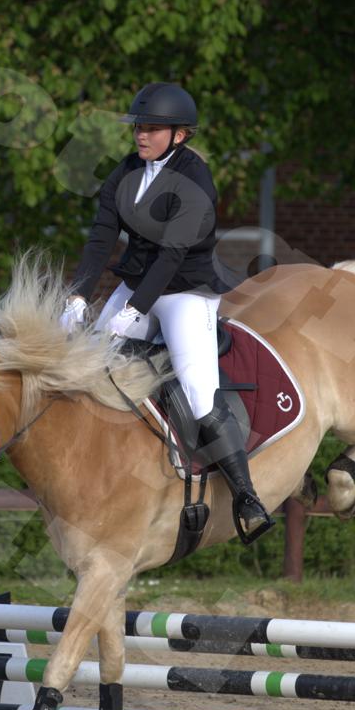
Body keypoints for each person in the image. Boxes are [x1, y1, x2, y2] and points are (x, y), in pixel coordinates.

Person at [59, 82, 273, 543]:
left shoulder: (196, 180)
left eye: (152, 128)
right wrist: (77, 295)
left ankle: (247, 498)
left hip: (185, 293)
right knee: (88, 368)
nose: (141, 134)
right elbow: (101, 235)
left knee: (198, 393)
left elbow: (173, 255)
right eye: (139, 126)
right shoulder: (125, 171)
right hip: (137, 283)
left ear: (179, 135)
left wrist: (135, 308)